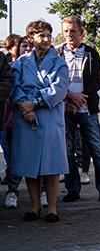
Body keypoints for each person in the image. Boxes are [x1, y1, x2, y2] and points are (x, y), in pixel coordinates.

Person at [9, 20, 69, 222]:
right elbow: (13, 86)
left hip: (49, 117)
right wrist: (23, 106)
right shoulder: (21, 62)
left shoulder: (59, 62)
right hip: (26, 118)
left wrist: (34, 103)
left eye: (48, 36)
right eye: (41, 36)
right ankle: (34, 206)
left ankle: (51, 207)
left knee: (50, 164)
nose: (46, 40)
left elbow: (59, 90)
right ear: (31, 39)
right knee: (30, 163)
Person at [57, 15, 100, 204]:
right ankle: (73, 189)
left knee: (98, 152)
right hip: (64, 109)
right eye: (66, 31)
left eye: (73, 31)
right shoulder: (57, 54)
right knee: (67, 153)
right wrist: (68, 96)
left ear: (81, 33)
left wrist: (80, 97)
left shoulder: (90, 53)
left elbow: (98, 81)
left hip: (87, 109)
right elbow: (53, 81)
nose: (69, 35)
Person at [2, 35, 27, 209]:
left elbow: (7, 81)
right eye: (23, 46)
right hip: (10, 116)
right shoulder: (11, 64)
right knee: (11, 154)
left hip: (27, 114)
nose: (27, 49)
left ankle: (41, 192)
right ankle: (12, 190)